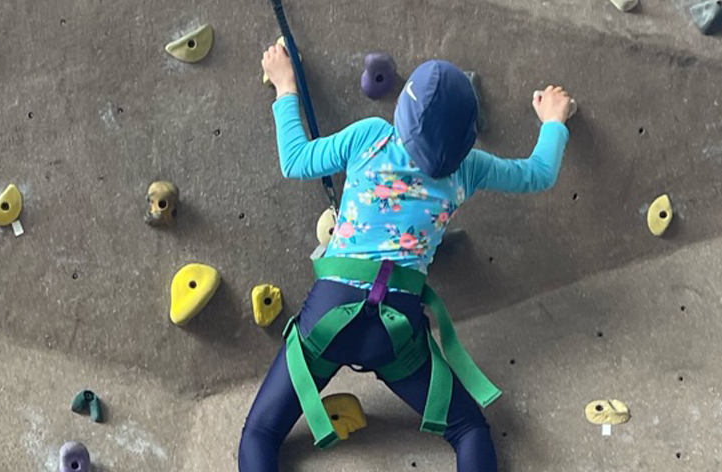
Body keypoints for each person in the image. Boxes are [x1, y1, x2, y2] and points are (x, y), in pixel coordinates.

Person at [237, 41, 575, 472]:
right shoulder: (468, 167)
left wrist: (286, 85)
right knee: (469, 430)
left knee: (260, 435)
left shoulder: (371, 137)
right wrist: (553, 122)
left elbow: (296, 160)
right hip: (395, 334)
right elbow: (538, 174)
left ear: (402, 114)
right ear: (466, 136)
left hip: (327, 319)